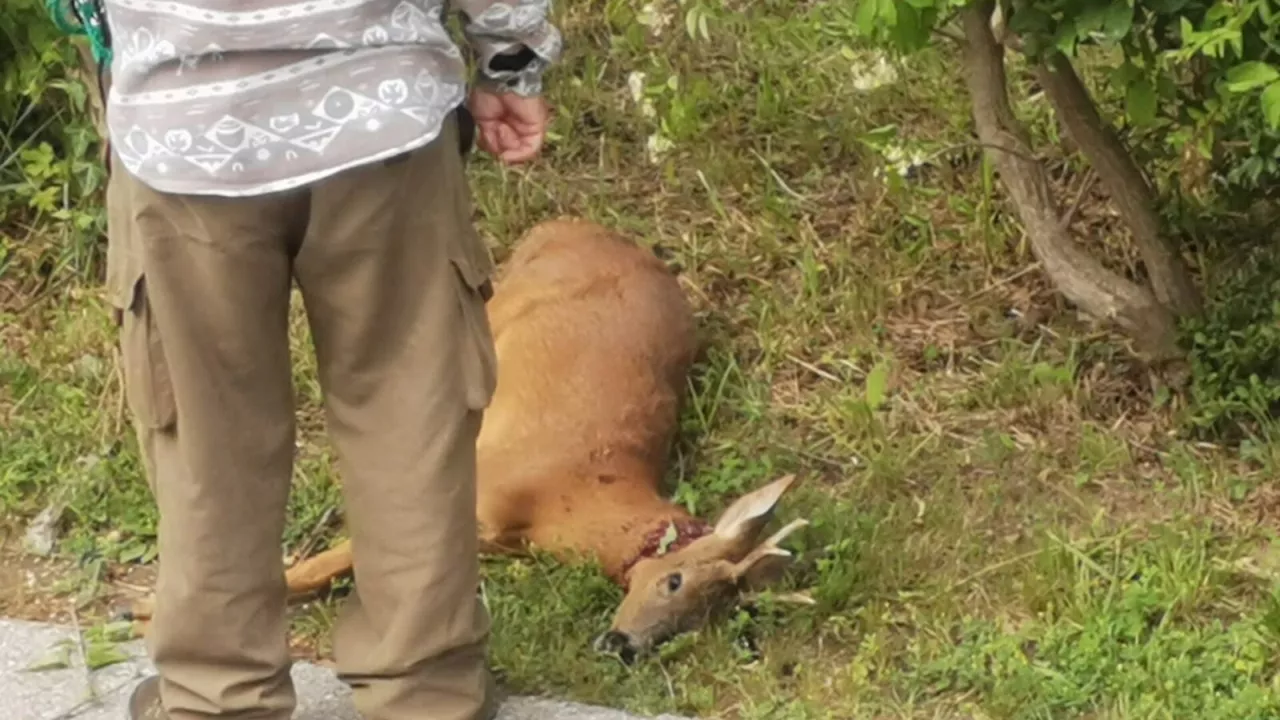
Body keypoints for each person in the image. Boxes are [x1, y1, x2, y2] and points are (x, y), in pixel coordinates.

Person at [95, 0, 561, 718]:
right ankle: (423, 693)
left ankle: (219, 696)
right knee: (409, 410)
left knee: (206, 431)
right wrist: (511, 58)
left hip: (180, 127)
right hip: (380, 111)